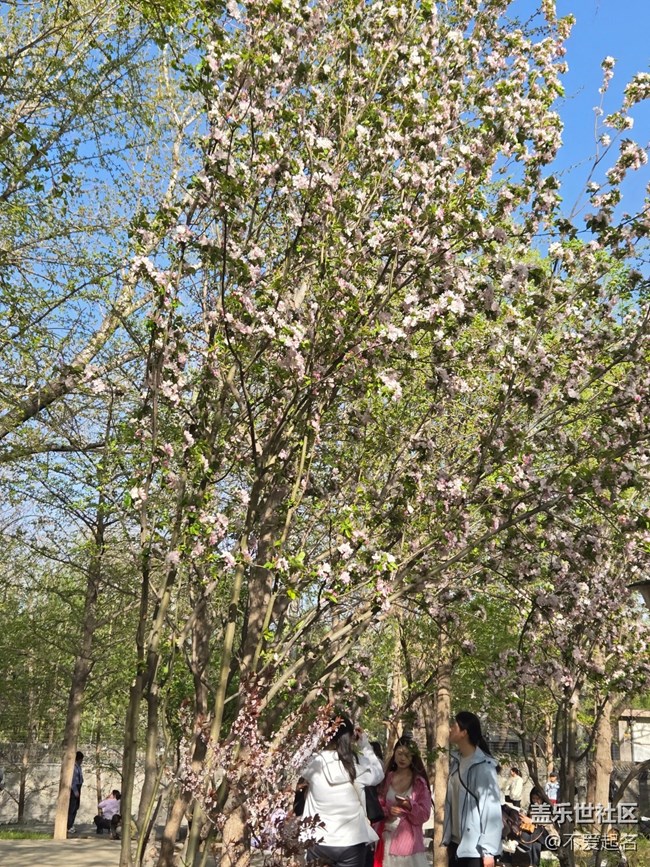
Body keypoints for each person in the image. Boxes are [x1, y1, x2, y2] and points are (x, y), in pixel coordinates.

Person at [300, 713, 384, 867]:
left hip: (318, 839)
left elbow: (296, 762)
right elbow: (378, 773)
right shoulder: (356, 764)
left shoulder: (313, 763)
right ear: (351, 737)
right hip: (351, 841)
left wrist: (316, 736)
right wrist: (365, 745)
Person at [442, 711, 502, 867]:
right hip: (456, 845)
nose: (450, 729)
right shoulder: (456, 762)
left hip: (476, 850)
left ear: (464, 732)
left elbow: (491, 809)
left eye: (454, 726)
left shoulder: (483, 767)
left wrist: (488, 852)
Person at [375, 738, 432, 867]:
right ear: (394, 753)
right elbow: (378, 804)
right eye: (399, 753)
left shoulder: (419, 783)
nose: (402, 758)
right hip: (386, 840)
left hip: (409, 847)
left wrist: (410, 805)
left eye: (407, 755)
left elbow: (424, 814)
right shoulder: (386, 778)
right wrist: (388, 811)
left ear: (413, 757)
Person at [67, 751, 84, 834]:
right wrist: (75, 791)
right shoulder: (73, 767)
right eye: (81, 760)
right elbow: (73, 780)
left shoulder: (79, 767)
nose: (82, 761)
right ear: (78, 759)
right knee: (72, 808)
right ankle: (69, 826)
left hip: (79, 787)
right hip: (75, 789)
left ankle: (71, 824)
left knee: (76, 807)